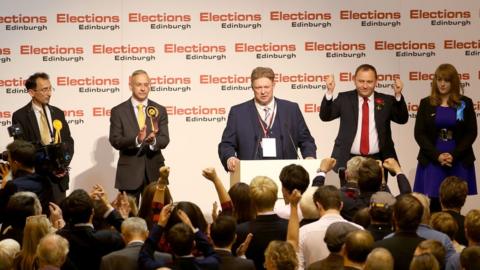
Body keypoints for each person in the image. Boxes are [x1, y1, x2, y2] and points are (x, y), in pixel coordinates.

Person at [218, 66, 316, 172]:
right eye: (258, 88)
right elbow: (226, 144)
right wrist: (230, 158)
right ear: (252, 87)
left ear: (273, 85)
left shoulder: (291, 109)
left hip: (287, 176)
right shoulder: (238, 112)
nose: (263, 91)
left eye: (266, 87)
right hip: (251, 174)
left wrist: (309, 157)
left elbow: (306, 140)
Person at [319, 64, 408, 173]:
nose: (365, 86)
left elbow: (402, 119)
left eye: (369, 82)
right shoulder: (344, 99)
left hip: (377, 161)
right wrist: (329, 92)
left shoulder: (386, 100)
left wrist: (398, 95)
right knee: (347, 191)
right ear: (354, 80)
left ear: (376, 81)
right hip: (349, 160)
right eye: (361, 81)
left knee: (378, 191)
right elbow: (325, 116)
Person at [413, 63, 477, 212]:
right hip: (433, 157)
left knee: (455, 201)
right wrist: (437, 156)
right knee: (434, 201)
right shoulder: (426, 103)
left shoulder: (465, 103)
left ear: (453, 82)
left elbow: (471, 133)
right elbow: (419, 134)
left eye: (446, 80)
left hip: (458, 157)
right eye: (439, 79)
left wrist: (453, 155)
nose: (442, 84)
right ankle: (436, 233)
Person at [12, 72, 74, 204]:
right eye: (44, 89)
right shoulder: (19, 116)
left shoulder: (58, 113)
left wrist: (62, 166)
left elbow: (68, 142)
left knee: (58, 220)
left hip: (58, 180)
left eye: (50, 88)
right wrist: (48, 166)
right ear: (31, 92)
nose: (49, 93)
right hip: (36, 178)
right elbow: (22, 148)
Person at [109, 69, 170, 200]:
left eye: (146, 85)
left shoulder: (160, 110)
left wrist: (153, 141)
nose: (143, 88)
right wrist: (137, 139)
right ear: (130, 85)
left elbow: (164, 139)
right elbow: (115, 140)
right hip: (129, 174)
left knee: (156, 217)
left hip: (154, 172)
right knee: (130, 218)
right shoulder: (118, 111)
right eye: (139, 85)